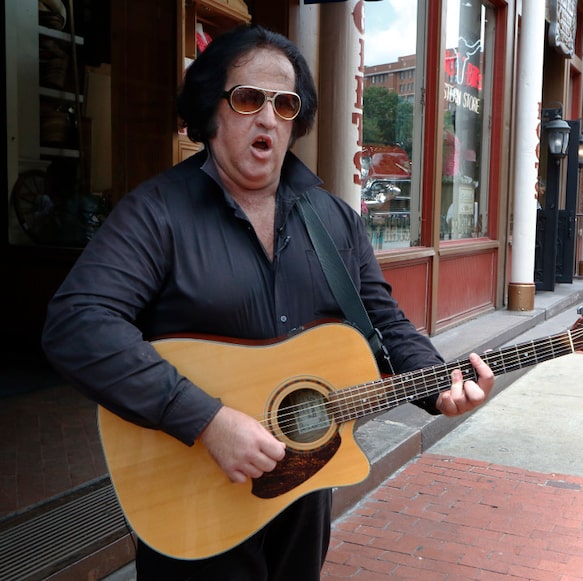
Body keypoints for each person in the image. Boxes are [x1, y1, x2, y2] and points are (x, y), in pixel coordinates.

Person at [41, 25, 494, 580]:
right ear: (211, 110)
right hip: (194, 499)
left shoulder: (335, 222)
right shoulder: (156, 213)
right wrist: (205, 419)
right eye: (248, 99)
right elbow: (77, 324)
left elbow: (384, 322)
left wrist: (435, 383)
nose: (267, 118)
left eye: (285, 105)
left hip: (305, 486)